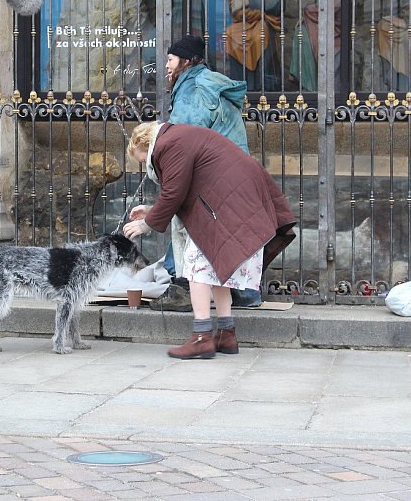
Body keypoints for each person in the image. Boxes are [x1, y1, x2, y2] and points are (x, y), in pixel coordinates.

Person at [123, 122, 296, 359]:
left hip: (228, 203)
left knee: (196, 268)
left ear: (144, 145)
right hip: (236, 200)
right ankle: (226, 333)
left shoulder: (167, 144)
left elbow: (174, 192)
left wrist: (146, 224)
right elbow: (183, 191)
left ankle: (202, 337)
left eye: (142, 160)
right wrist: (153, 210)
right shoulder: (177, 137)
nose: (145, 166)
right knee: (217, 266)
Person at [153, 34, 263, 310]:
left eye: (170, 59)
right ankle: (243, 291)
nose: (165, 65)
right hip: (234, 174)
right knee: (224, 233)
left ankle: (181, 283)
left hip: (215, 177)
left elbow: (181, 146)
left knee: (190, 225)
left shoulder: (193, 91)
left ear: (186, 61)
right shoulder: (207, 84)